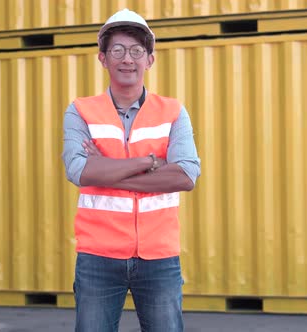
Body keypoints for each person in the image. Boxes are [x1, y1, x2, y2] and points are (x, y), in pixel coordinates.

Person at [62, 8, 201, 332]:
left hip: (159, 255)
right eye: (119, 50)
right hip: (98, 254)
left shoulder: (172, 111)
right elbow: (80, 172)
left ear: (150, 59)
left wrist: (107, 167)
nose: (128, 59)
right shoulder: (81, 110)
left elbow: (186, 176)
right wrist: (150, 162)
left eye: (137, 51)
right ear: (103, 58)